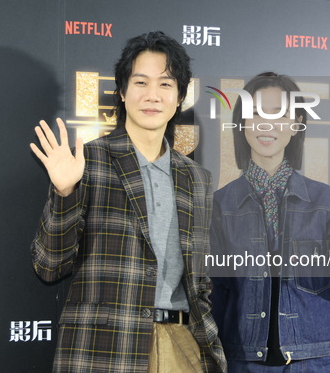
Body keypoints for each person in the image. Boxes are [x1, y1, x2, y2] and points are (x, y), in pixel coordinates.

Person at [30, 31, 226, 372]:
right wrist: (64, 193)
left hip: (182, 345)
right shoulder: (87, 162)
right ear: (121, 92)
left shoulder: (198, 178)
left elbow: (200, 280)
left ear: (179, 96)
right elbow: (49, 267)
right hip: (105, 350)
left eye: (165, 85)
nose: (152, 95)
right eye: (140, 82)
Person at [209, 72, 330, 372]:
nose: (267, 125)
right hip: (241, 361)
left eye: (279, 114)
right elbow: (214, 294)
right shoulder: (220, 205)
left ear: (296, 125)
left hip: (313, 361)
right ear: (242, 123)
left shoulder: (327, 202)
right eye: (256, 113)